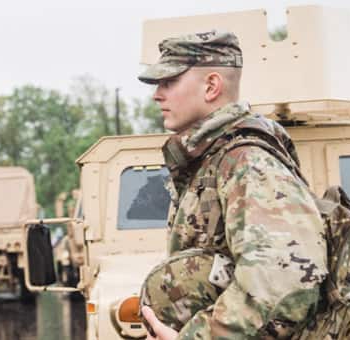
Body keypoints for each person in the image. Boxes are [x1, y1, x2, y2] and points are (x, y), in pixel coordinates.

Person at [137, 30, 328, 339]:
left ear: (212, 86)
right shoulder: (213, 159)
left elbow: (285, 281)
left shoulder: (247, 162)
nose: (157, 94)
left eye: (169, 82)